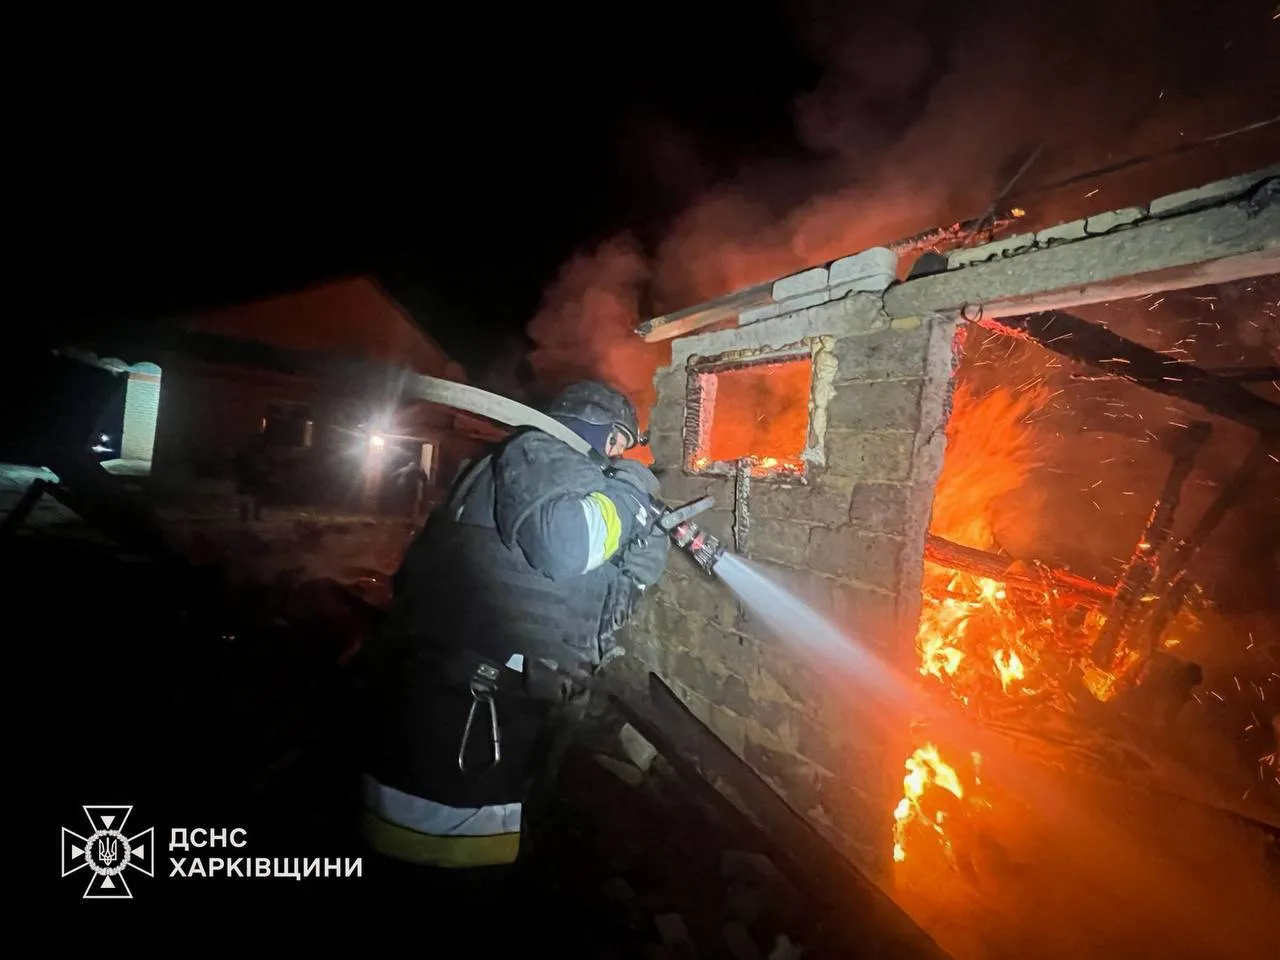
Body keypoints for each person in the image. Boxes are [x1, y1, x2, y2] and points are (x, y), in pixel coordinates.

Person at [353, 379, 670, 920]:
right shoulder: (538, 450)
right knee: (434, 889)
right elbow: (567, 545)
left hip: (484, 711)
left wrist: (632, 569)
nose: (619, 460)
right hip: (464, 717)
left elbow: (570, 591)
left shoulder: (534, 474)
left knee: (457, 880)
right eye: (620, 446)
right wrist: (635, 496)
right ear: (608, 436)